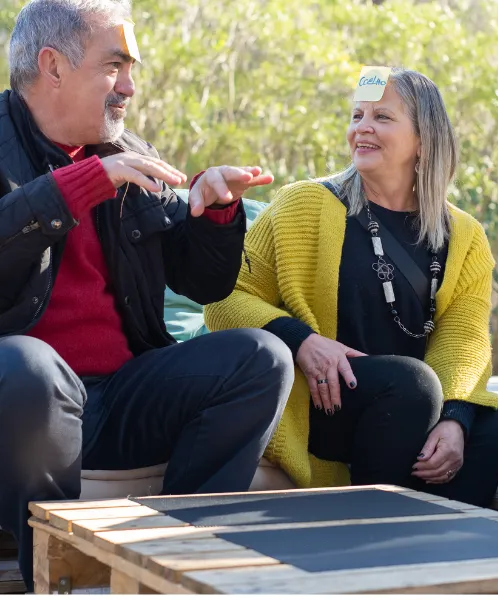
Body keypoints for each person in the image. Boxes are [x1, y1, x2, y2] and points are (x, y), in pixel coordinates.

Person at [0, 0, 295, 590]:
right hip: (24, 402)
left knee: (262, 357)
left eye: (131, 69)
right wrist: (76, 187)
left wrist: (215, 214)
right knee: (29, 366)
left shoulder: (124, 151)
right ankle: (52, 571)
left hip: (116, 399)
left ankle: (179, 559)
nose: (129, 88)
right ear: (52, 66)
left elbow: (202, 284)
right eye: (114, 66)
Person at [205, 67, 498, 507]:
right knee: (410, 383)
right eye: (357, 116)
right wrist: (303, 341)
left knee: (494, 427)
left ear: (424, 140)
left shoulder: (464, 235)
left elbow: (463, 338)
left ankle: (436, 556)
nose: (362, 128)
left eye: (383, 117)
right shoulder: (305, 204)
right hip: (320, 404)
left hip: (411, 406)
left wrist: (455, 417)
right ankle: (369, 541)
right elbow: (224, 300)